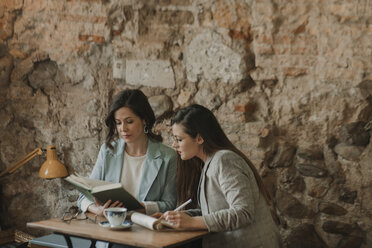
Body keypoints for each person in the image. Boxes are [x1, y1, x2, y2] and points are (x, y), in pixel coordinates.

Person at [162, 104, 282, 248]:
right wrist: (174, 217)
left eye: (179, 139)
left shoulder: (225, 160)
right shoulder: (208, 163)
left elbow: (243, 213)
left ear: (199, 138)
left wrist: (191, 222)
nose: (174, 145)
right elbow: (211, 212)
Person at [77, 89, 177, 217]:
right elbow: (83, 198)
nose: (123, 128)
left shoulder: (168, 157)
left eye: (129, 121)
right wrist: (99, 211)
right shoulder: (107, 151)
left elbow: (170, 204)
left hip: (146, 230)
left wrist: (142, 207)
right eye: (118, 123)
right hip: (110, 227)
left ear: (144, 119)